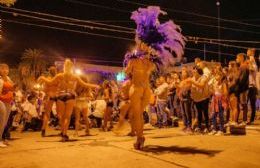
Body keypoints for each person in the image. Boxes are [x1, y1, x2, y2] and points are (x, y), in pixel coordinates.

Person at [38, 59, 100, 142]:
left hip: (61, 95)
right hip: (70, 96)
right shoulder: (74, 76)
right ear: (71, 67)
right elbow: (84, 84)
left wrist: (42, 78)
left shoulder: (60, 75)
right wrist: (95, 85)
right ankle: (64, 134)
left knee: (61, 117)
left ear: (64, 67)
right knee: (67, 116)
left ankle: (63, 132)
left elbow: (49, 82)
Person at [189, 67, 210, 133]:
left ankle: (207, 127)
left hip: (204, 98)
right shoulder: (193, 78)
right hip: (197, 99)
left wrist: (193, 82)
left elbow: (202, 85)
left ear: (198, 72)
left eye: (194, 72)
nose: (193, 73)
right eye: (193, 72)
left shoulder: (203, 77)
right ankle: (199, 127)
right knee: (199, 113)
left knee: (205, 113)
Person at [41, 66, 58, 137]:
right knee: (60, 113)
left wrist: (49, 93)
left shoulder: (47, 79)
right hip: (57, 96)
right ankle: (63, 129)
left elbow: (44, 89)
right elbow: (60, 87)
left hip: (50, 96)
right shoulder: (58, 79)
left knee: (47, 114)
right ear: (55, 71)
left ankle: (43, 129)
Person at [0, 64, 14, 147]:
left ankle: (2, 138)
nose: (5, 70)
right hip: (1, 101)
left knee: (4, 122)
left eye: (6, 69)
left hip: (8, 102)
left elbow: (12, 88)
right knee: (1, 121)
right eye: (2, 69)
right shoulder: (0, 79)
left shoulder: (8, 79)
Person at [177, 67, 192, 133]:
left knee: (187, 112)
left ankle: (189, 126)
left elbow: (187, 88)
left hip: (186, 98)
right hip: (181, 98)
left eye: (184, 71)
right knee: (183, 113)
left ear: (187, 73)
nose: (182, 73)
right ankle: (185, 125)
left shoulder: (189, 79)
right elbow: (179, 89)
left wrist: (181, 88)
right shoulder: (182, 81)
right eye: (182, 72)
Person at [236, 53, 249, 124]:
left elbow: (242, 79)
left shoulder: (243, 66)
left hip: (243, 89)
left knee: (244, 104)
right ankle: (244, 119)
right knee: (243, 104)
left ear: (242, 58)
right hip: (242, 88)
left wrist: (237, 86)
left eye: (237, 58)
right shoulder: (242, 66)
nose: (236, 59)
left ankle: (244, 120)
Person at [247, 48, 258, 125]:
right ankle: (250, 119)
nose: (247, 52)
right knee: (248, 104)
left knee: (252, 104)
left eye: (248, 51)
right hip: (249, 86)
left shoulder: (253, 62)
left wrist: (249, 63)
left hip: (252, 86)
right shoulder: (251, 61)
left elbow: (252, 69)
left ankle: (251, 119)